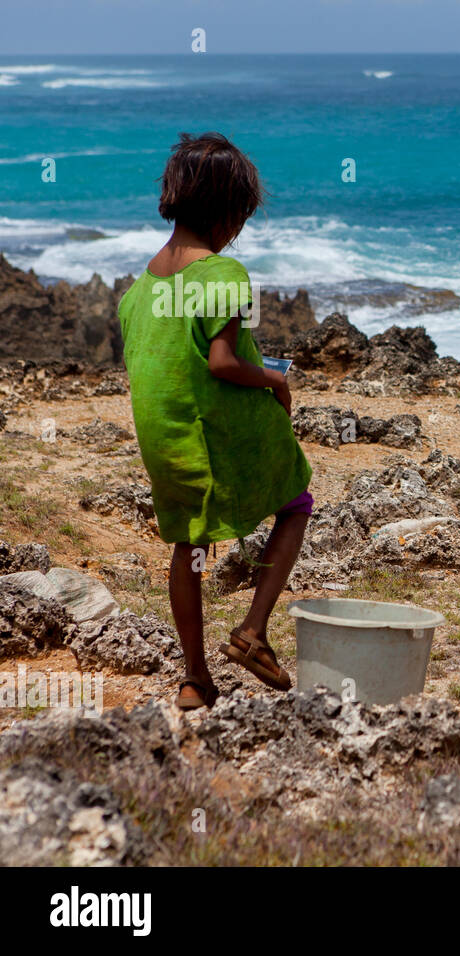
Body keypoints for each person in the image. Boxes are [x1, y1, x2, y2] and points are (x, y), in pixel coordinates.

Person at [118, 132, 312, 710]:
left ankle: (195, 679)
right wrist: (276, 379)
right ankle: (253, 630)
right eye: (241, 217)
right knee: (296, 502)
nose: (239, 231)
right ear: (226, 209)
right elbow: (223, 362)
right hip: (218, 436)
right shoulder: (225, 275)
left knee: (189, 547)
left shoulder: (138, 290)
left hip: (166, 442)